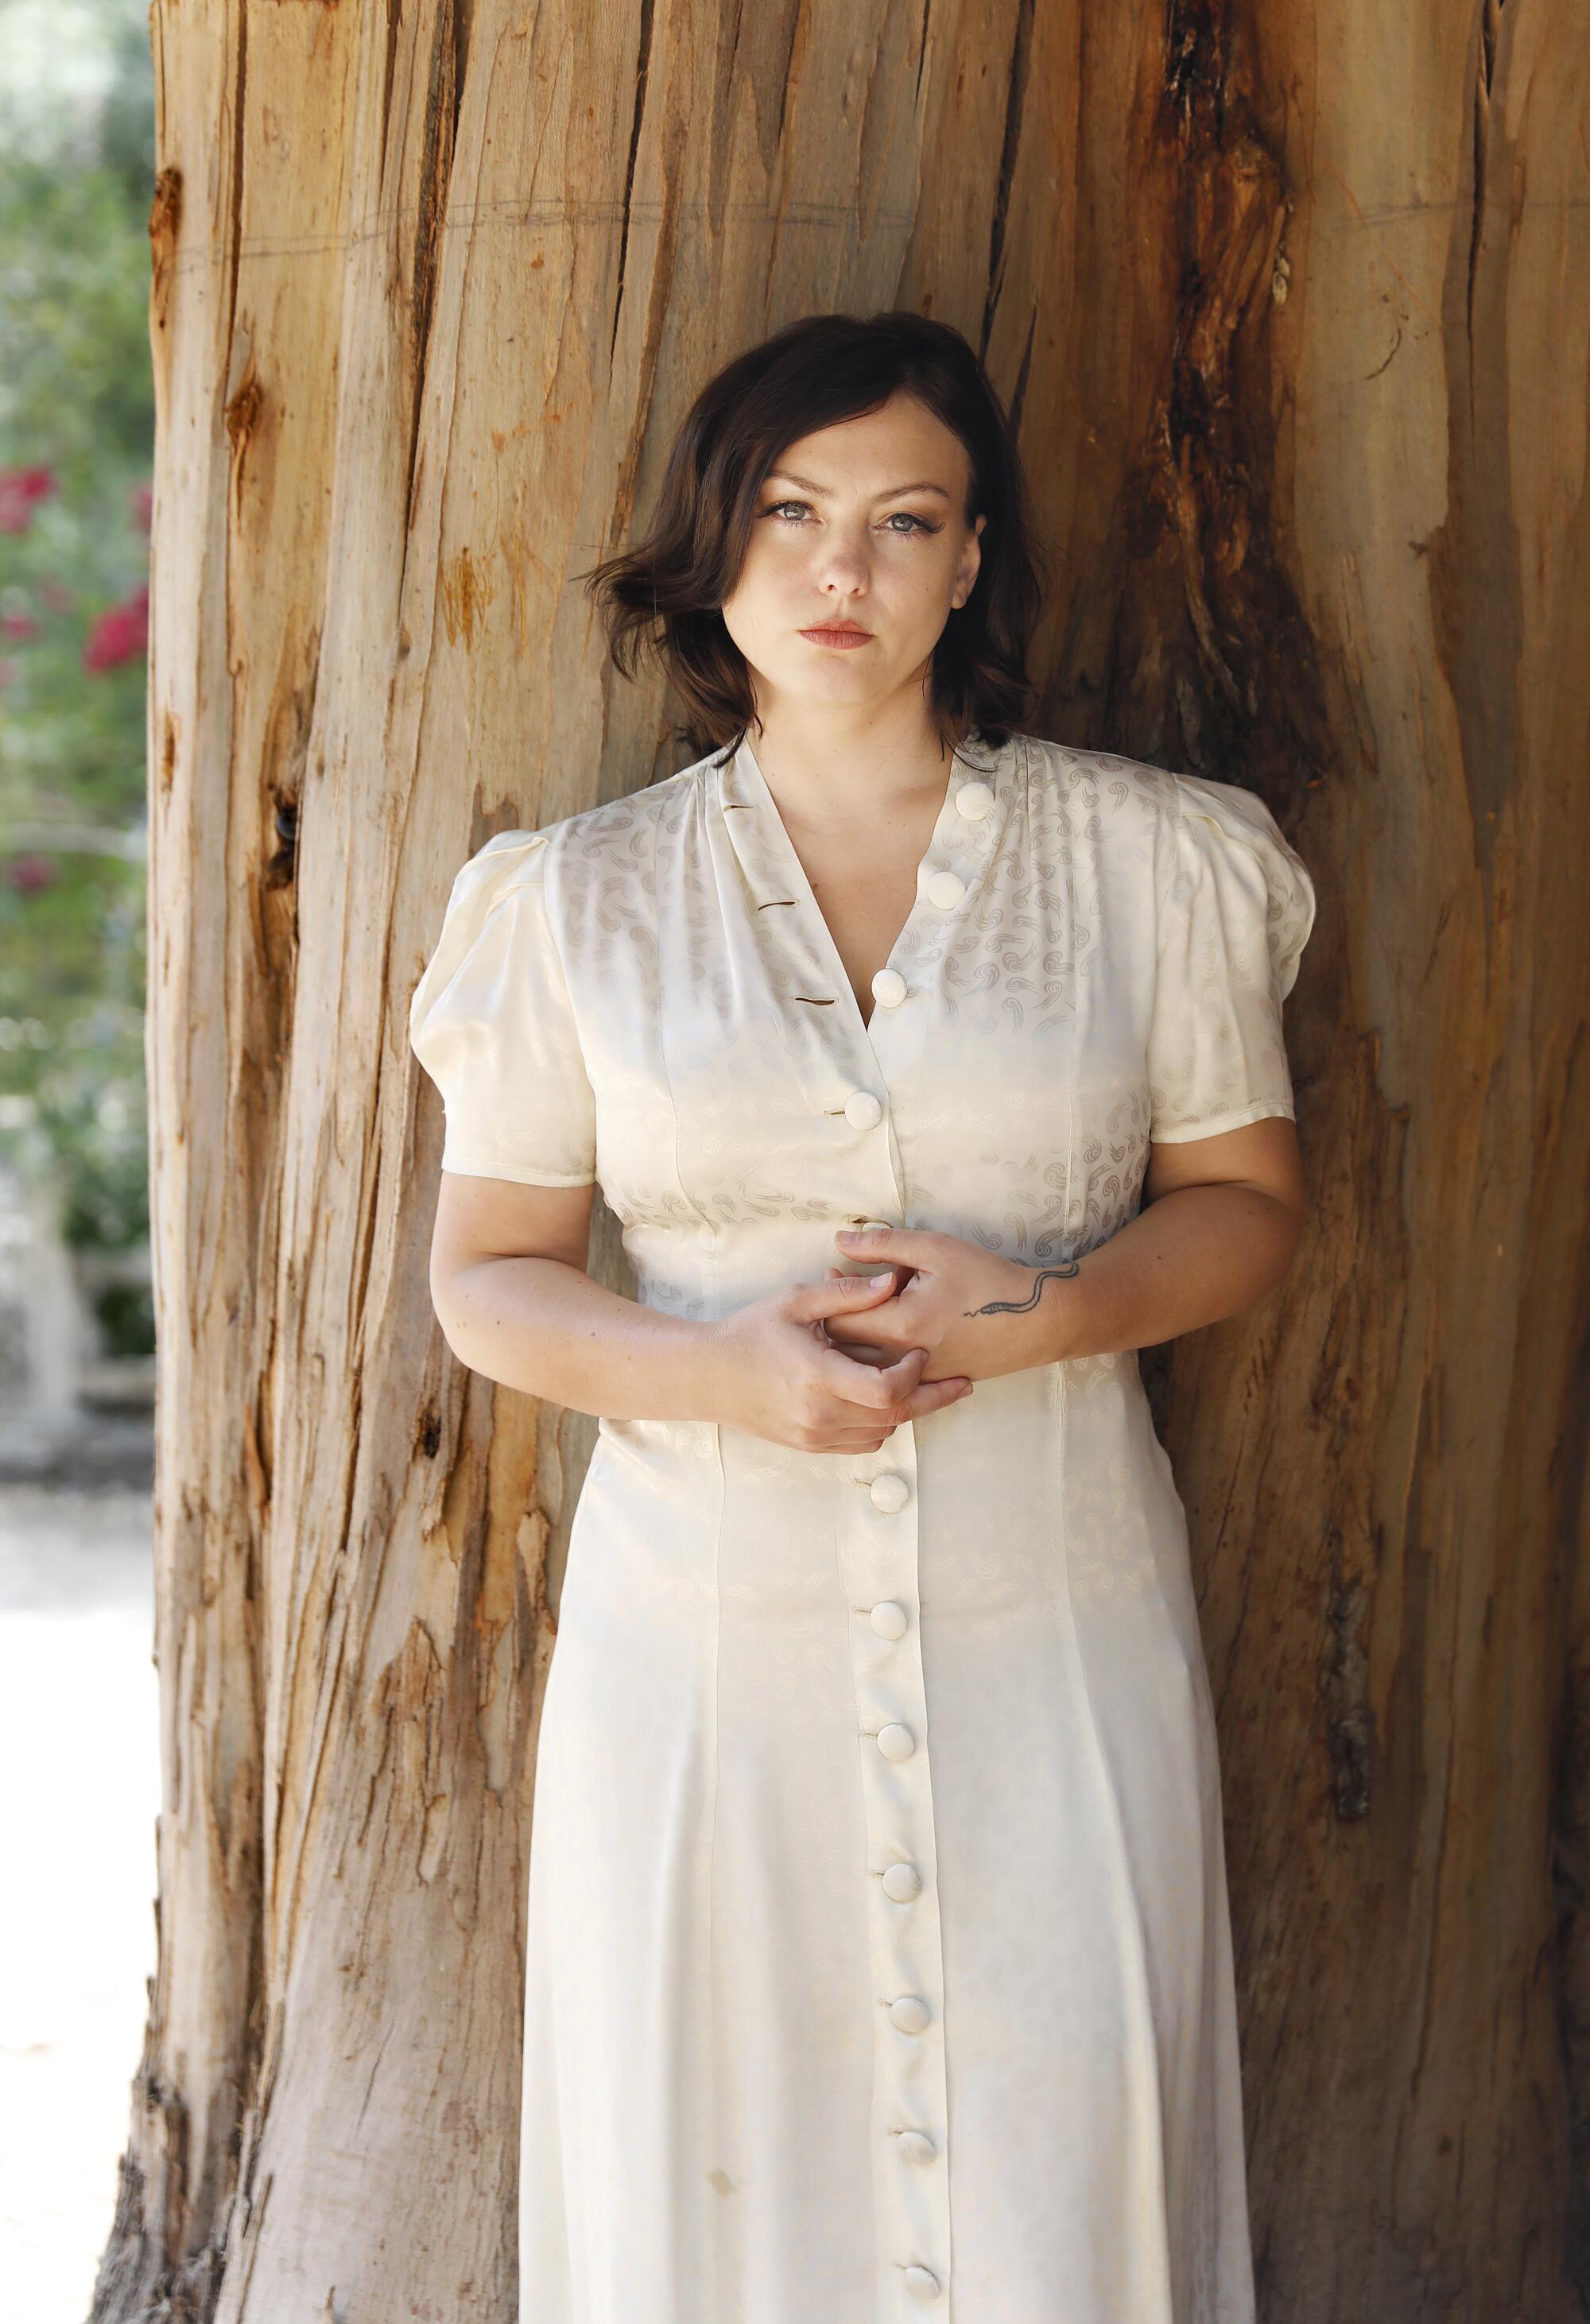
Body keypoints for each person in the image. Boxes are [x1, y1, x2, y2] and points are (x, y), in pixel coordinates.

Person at [407, 309, 1316, 2324]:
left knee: (1061, 2157)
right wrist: (717, 1371)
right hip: (700, 1658)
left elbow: (1246, 1210)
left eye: (905, 521)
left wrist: (1043, 1313)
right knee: (714, 2175)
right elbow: (487, 1276)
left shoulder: (1157, 867)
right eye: (794, 513)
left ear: (973, 559)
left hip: (1054, 1638)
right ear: (714, 544)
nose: (843, 570)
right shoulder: (571, 906)